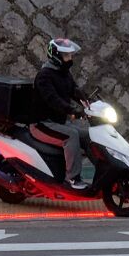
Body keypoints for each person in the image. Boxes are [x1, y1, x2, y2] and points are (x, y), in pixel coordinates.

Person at [31, 38, 89, 189]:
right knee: (71, 135)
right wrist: (72, 110)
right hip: (43, 124)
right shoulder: (44, 76)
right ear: (56, 56)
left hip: (58, 122)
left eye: (70, 55)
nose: (70, 59)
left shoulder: (64, 74)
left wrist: (87, 101)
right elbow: (53, 100)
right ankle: (72, 179)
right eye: (66, 56)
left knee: (88, 135)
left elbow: (74, 90)